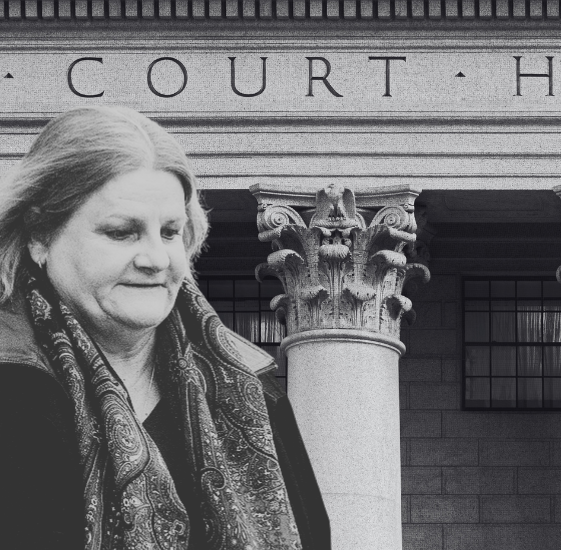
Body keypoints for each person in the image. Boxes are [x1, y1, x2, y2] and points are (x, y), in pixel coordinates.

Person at [0, 106, 330, 549]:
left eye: (171, 232)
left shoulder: (253, 389)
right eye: (122, 232)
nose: (156, 259)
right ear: (41, 235)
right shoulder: (12, 384)